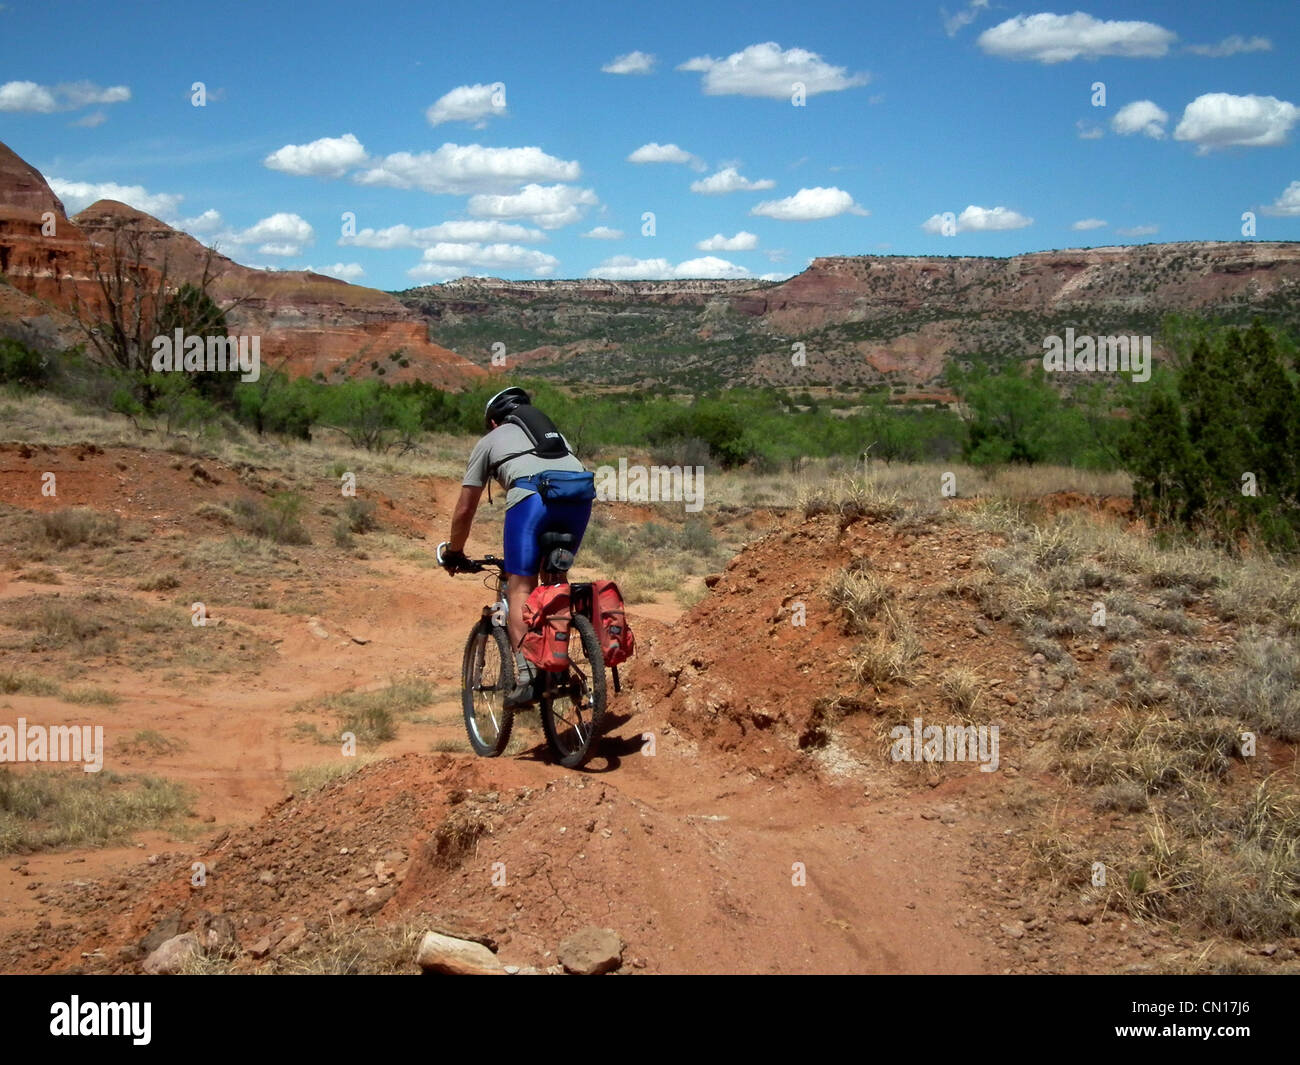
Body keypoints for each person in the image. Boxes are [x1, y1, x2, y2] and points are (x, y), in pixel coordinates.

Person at [440, 387, 593, 707]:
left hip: (533, 502)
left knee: (519, 585)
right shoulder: (554, 435)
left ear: (494, 422)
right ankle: (559, 661)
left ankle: (527, 676)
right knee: (553, 581)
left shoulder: (489, 441)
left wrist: (454, 552)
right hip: (579, 500)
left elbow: (465, 509)